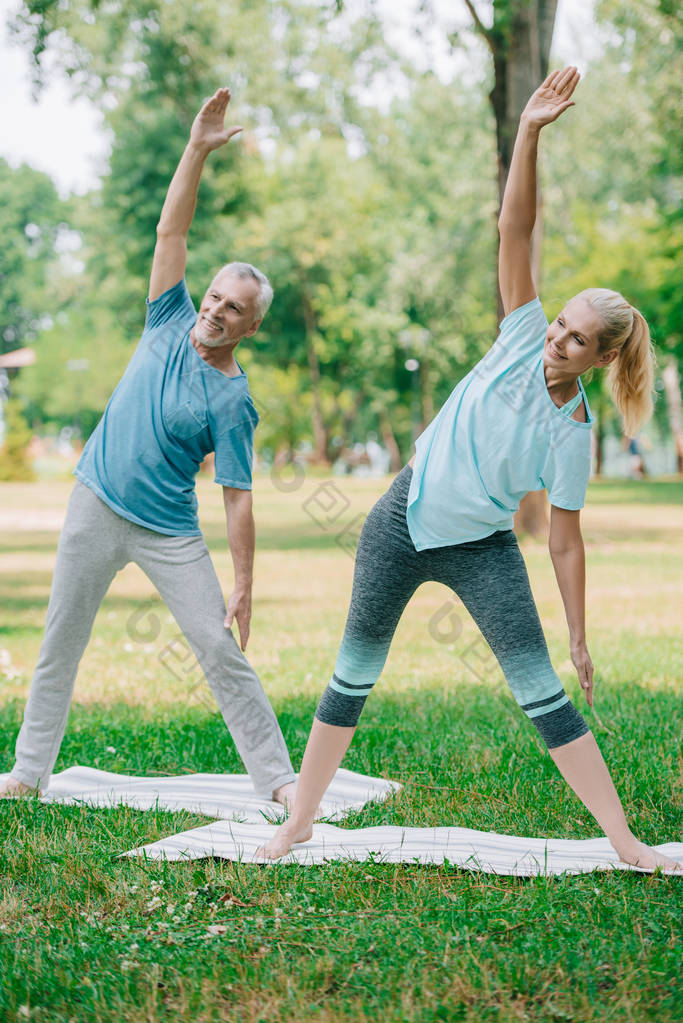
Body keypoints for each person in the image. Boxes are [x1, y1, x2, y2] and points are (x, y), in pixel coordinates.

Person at [258, 68, 681, 870]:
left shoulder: (573, 436)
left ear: (599, 357)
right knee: (351, 675)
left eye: (575, 338)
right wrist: (526, 133)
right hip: (399, 519)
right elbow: (512, 232)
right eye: (560, 323)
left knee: (542, 696)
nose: (557, 337)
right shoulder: (520, 334)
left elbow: (564, 543)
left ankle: (623, 840)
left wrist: (580, 635)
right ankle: (301, 818)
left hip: (483, 549)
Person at [1, 89, 297, 805]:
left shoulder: (233, 399)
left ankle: (279, 780)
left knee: (219, 650)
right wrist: (196, 148)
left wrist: (245, 582)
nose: (217, 309)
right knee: (58, 645)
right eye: (216, 296)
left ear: (248, 326)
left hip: (167, 530)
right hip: (95, 500)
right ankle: (27, 772)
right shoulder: (167, 316)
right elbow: (172, 233)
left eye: (234, 308)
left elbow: (237, 496)